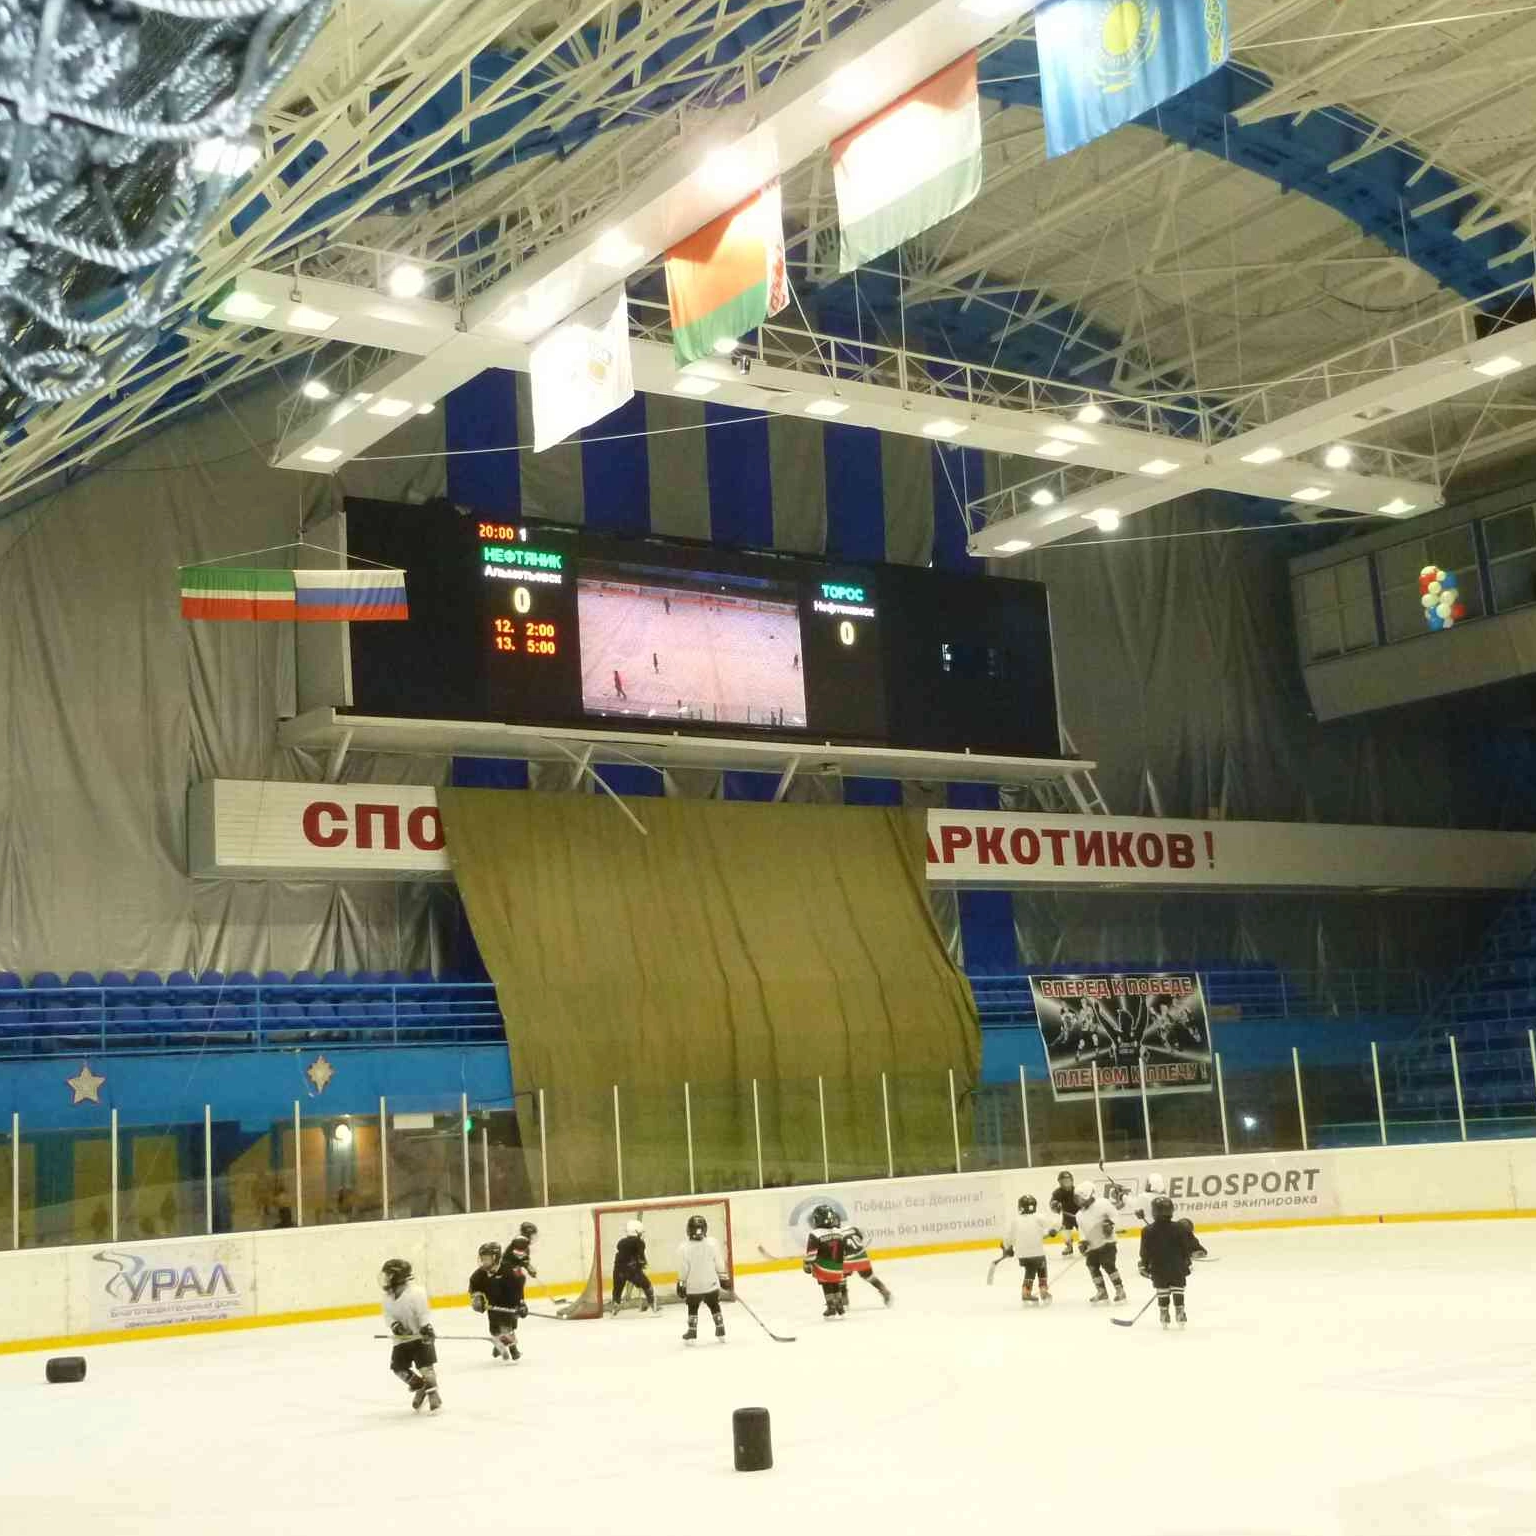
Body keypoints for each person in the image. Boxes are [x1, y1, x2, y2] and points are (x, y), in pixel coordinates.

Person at [380, 1257, 441, 1412]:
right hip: (401, 1340)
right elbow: (388, 1316)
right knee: (398, 1369)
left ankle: (434, 1396)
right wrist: (395, 1326)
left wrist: (425, 1328)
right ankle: (421, 1386)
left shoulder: (416, 1293)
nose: (386, 1279)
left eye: (389, 1275)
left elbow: (423, 1314)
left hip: (420, 1338)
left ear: (397, 1277)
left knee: (426, 1368)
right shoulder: (387, 1297)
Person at [1139, 1194, 1198, 1328]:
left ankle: (1164, 1314)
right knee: (1178, 1289)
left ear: (1154, 1212)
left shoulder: (1147, 1231)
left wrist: (1144, 1265)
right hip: (1177, 1267)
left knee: (1162, 1291)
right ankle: (1180, 1311)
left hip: (1158, 1269)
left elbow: (1145, 1252)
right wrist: (1191, 1256)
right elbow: (1189, 1245)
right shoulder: (1180, 1227)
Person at [1000, 1193, 1061, 1306]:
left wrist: (1006, 1248)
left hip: (1022, 1254)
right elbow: (1053, 1226)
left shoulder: (1015, 1221)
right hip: (1037, 1253)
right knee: (1041, 1267)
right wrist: (1055, 1225)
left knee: (1030, 1269)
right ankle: (1040, 1289)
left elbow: (1008, 1237)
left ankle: (1027, 1290)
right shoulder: (1039, 1217)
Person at [676, 1212, 729, 1343]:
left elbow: (684, 1269)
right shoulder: (712, 1243)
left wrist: (681, 1283)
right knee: (714, 1305)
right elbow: (719, 1262)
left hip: (694, 1287)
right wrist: (723, 1277)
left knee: (692, 1308)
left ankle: (692, 1331)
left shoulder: (683, 1247)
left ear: (688, 1230)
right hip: (711, 1285)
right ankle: (720, 1328)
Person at [1074, 1181, 1128, 1306]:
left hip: (1107, 1243)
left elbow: (1115, 1215)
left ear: (1087, 1195)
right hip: (1092, 1246)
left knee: (1108, 1265)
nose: (1077, 1200)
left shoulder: (1103, 1203)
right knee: (1092, 1266)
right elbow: (1081, 1230)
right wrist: (1082, 1241)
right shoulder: (1079, 1214)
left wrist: (1110, 1224)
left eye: (1079, 1197)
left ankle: (1120, 1290)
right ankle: (1101, 1291)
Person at [468, 1240, 521, 1362]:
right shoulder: (479, 1274)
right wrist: (477, 1298)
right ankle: (499, 1344)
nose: (483, 1261)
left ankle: (513, 1348)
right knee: (494, 1330)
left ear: (496, 1258)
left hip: (508, 1306)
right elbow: (474, 1288)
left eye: (486, 1259)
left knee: (506, 1328)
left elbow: (517, 1289)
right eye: (482, 1258)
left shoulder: (507, 1270)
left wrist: (520, 1304)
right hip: (492, 1306)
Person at [804, 1204, 848, 1318]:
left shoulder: (815, 1234)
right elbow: (844, 1252)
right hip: (838, 1267)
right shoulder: (839, 1232)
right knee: (835, 1283)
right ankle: (840, 1306)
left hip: (824, 1268)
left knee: (826, 1284)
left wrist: (806, 1264)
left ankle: (831, 1307)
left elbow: (812, 1255)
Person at [608, 1218, 657, 1316]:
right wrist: (643, 1263)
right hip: (633, 1270)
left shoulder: (621, 1242)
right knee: (648, 1287)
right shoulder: (640, 1243)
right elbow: (641, 1259)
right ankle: (653, 1307)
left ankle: (614, 1308)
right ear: (637, 1231)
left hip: (618, 1270)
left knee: (617, 1291)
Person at [839, 1220, 893, 1308]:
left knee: (840, 1277)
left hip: (847, 1260)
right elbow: (860, 1237)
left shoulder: (834, 1234)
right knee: (869, 1277)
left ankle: (844, 1300)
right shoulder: (852, 1228)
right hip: (862, 1257)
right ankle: (884, 1290)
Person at [1049, 1171, 1081, 1258]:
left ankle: (1086, 1245)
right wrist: (1055, 1206)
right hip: (1067, 1216)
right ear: (1060, 1182)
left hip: (1079, 1215)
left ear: (1072, 1181)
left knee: (1083, 1231)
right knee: (1065, 1231)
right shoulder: (1057, 1193)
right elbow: (1052, 1205)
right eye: (1064, 1181)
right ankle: (1069, 1246)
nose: (1066, 1183)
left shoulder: (1078, 1190)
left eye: (1068, 1180)